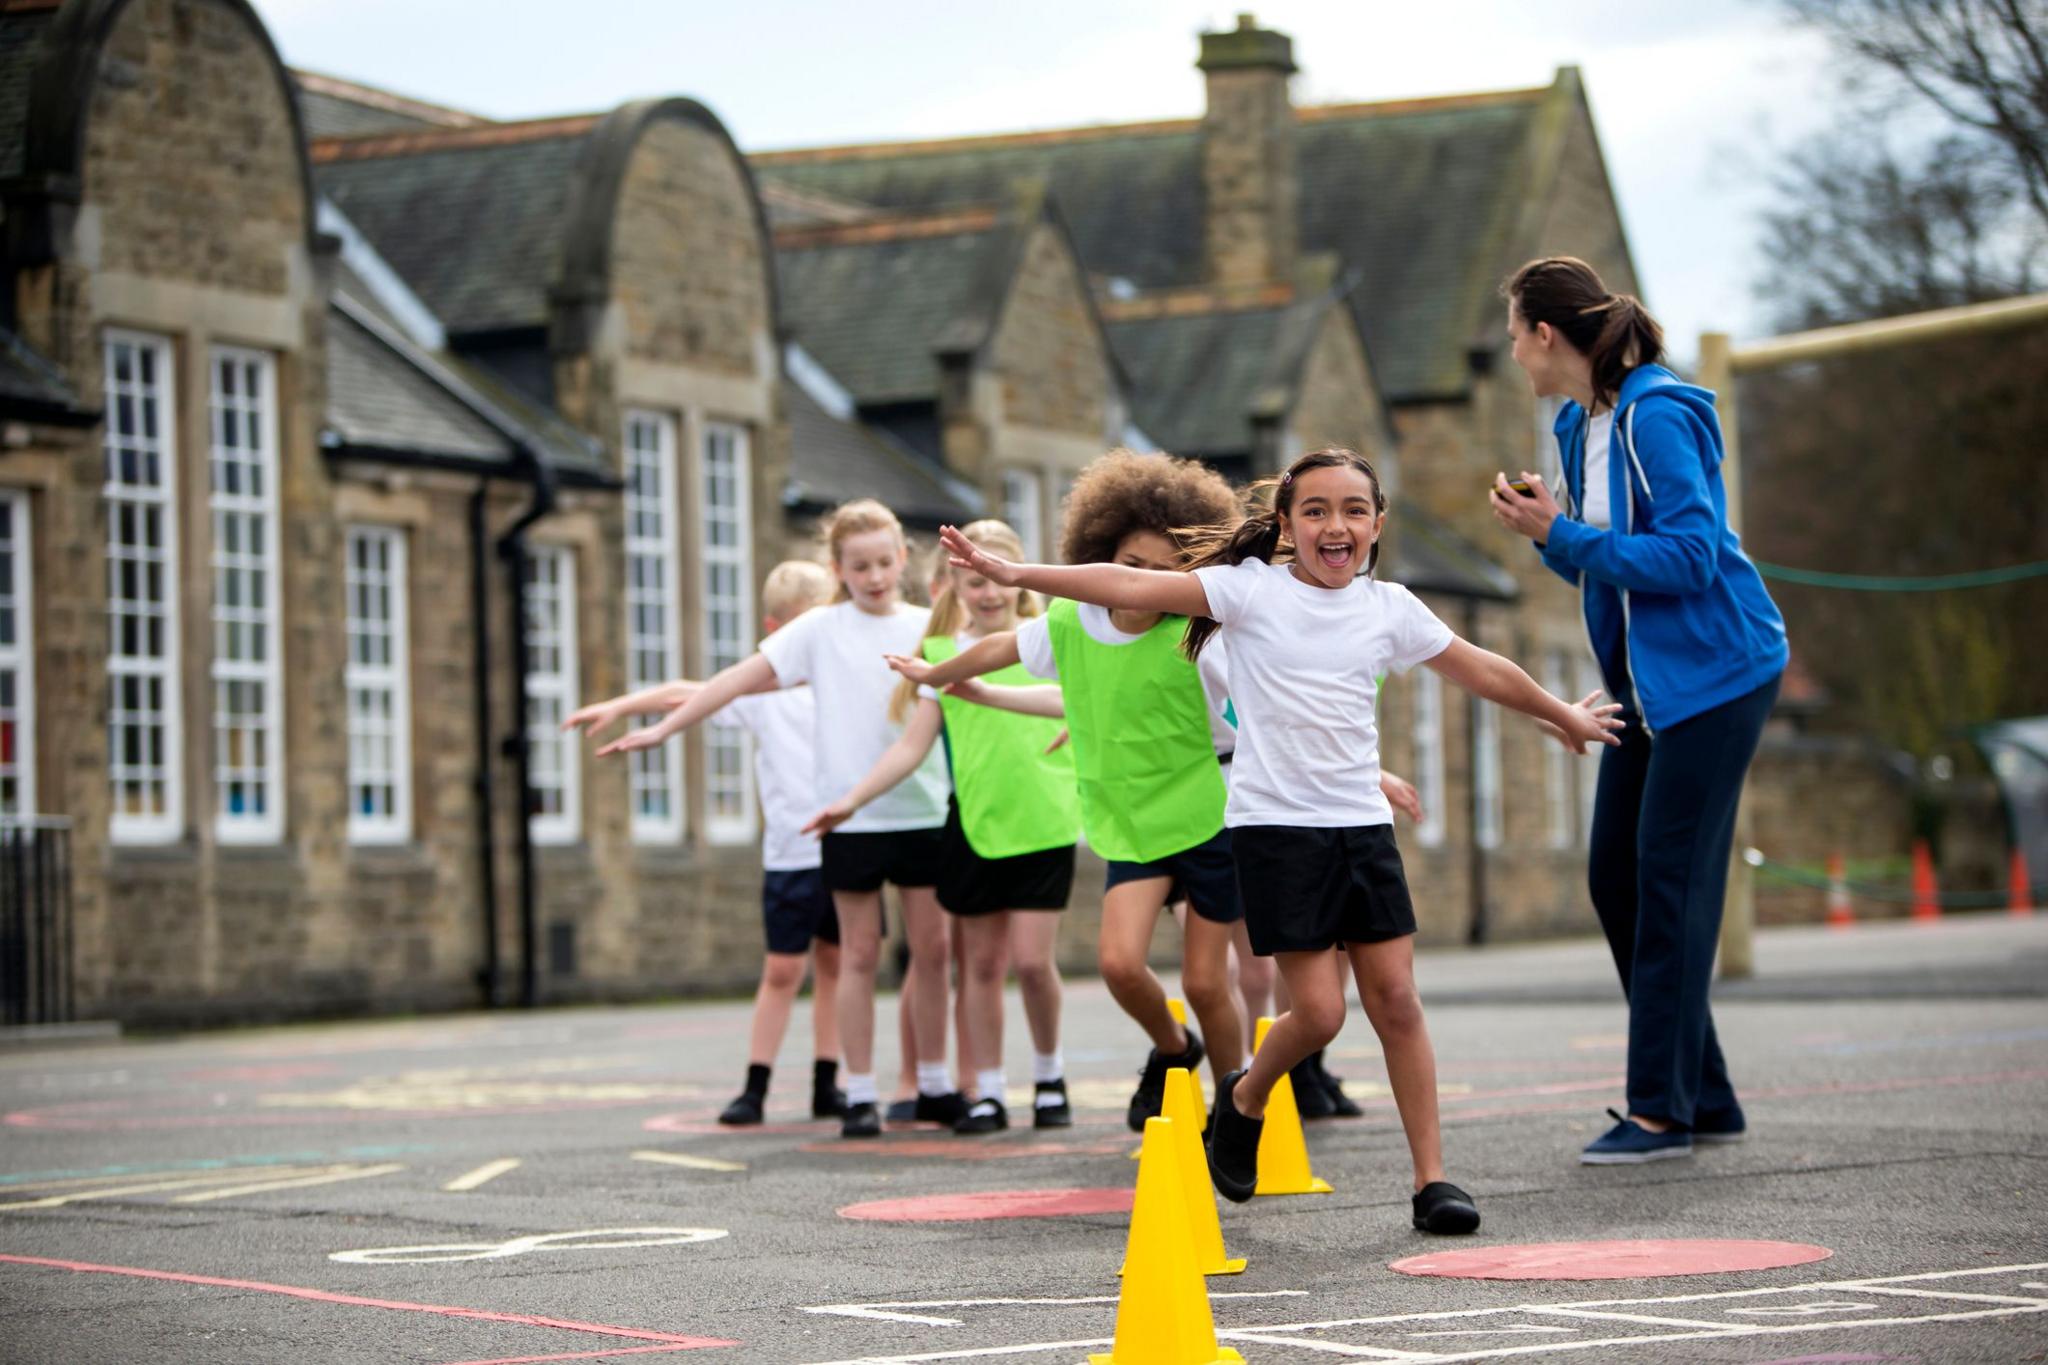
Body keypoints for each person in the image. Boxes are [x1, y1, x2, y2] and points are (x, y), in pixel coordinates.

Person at [935, 446, 1622, 1234]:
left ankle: (1433, 1180)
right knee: (1321, 1014)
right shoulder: (1247, 592)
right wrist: (1021, 576)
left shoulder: (1390, 608)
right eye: (1317, 510)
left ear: (1376, 524)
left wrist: (1560, 713)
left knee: (1396, 999)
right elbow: (1128, 583)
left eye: (1354, 510)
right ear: (1288, 525)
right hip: (1275, 830)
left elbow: (1480, 668)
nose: (1337, 524)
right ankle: (1247, 1092)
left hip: (1360, 829)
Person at [1492, 255, 1788, 1165]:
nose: (1513, 354)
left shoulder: (1657, 415)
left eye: (1514, 335)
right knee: (1614, 878)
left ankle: (1659, 1111)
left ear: (1548, 334)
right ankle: (1708, 1095)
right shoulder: (1580, 423)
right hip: (1645, 689)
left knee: (1668, 882)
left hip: (1718, 677)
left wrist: (1565, 534)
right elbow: (1607, 565)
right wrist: (1554, 537)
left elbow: (1691, 558)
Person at [888, 451, 1247, 1129]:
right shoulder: (1070, 625)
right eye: (1130, 566)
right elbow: (1000, 651)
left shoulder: (1203, 642)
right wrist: (937, 675)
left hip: (1208, 815)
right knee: (1117, 963)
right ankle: (1174, 1049)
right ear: (1098, 557)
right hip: (1131, 822)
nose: (1143, 585)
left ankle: (1235, 1112)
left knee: (1206, 981)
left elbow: (1251, 727)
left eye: (1167, 574)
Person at [599, 499, 962, 1139]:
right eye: (859, 566)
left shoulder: (928, 625)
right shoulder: (818, 630)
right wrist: (663, 730)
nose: (874, 576)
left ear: (903, 559)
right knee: (857, 955)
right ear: (838, 568)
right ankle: (858, 1093)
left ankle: (933, 1083)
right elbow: (734, 680)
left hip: (921, 811)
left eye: (884, 562)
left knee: (931, 952)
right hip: (845, 820)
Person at [807, 520, 1078, 1134]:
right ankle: (986, 1089)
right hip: (975, 825)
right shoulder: (941, 658)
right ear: (951, 585)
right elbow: (910, 747)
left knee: (1033, 963)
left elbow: (1090, 704)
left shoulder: (1051, 641)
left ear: (1015, 578)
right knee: (978, 967)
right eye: (970, 582)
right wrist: (851, 801)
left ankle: (1050, 1074)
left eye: (993, 580)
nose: (985, 594)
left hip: (1045, 820)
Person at [567, 559, 847, 1125]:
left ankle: (828, 1081)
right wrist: (623, 706)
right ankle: (756, 1086)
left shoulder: (846, 686)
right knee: (782, 971)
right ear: (775, 632)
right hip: (791, 857)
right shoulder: (762, 695)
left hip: (846, 848)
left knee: (839, 968)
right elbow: (686, 694)